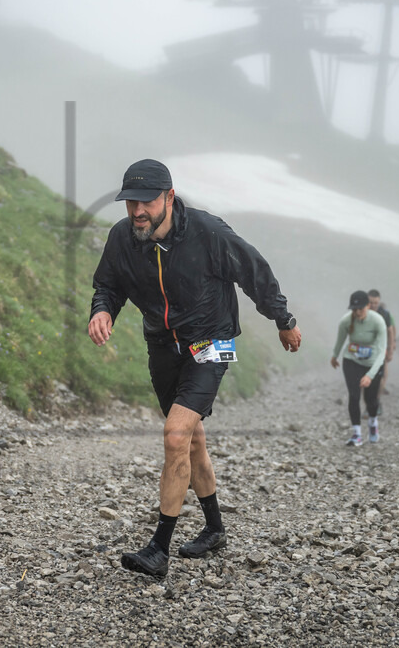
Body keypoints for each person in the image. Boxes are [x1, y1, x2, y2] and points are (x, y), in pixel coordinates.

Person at [88, 158, 302, 577]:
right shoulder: (123, 238)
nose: (137, 212)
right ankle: (215, 529)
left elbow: (255, 272)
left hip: (212, 342)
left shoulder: (209, 233)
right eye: (130, 203)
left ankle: (158, 550)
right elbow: (108, 283)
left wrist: (284, 320)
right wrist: (103, 311)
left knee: (175, 433)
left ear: (169, 196)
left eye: (146, 202)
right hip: (163, 347)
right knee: (193, 438)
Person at [331, 290, 387, 446]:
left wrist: (370, 375)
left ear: (368, 306)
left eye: (361, 309)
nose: (357, 313)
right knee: (354, 396)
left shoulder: (378, 321)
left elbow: (382, 352)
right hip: (352, 360)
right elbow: (340, 340)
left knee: (371, 400)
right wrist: (334, 356)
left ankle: (373, 423)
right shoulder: (346, 321)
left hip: (373, 363)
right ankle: (357, 434)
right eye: (354, 310)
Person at [367, 289, 395, 395]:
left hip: (380, 349)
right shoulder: (361, 311)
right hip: (365, 349)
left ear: (379, 302)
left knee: (380, 376)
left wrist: (390, 350)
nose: (373, 305)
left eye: (376, 303)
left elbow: (390, 331)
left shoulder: (384, 314)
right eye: (371, 303)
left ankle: (376, 400)